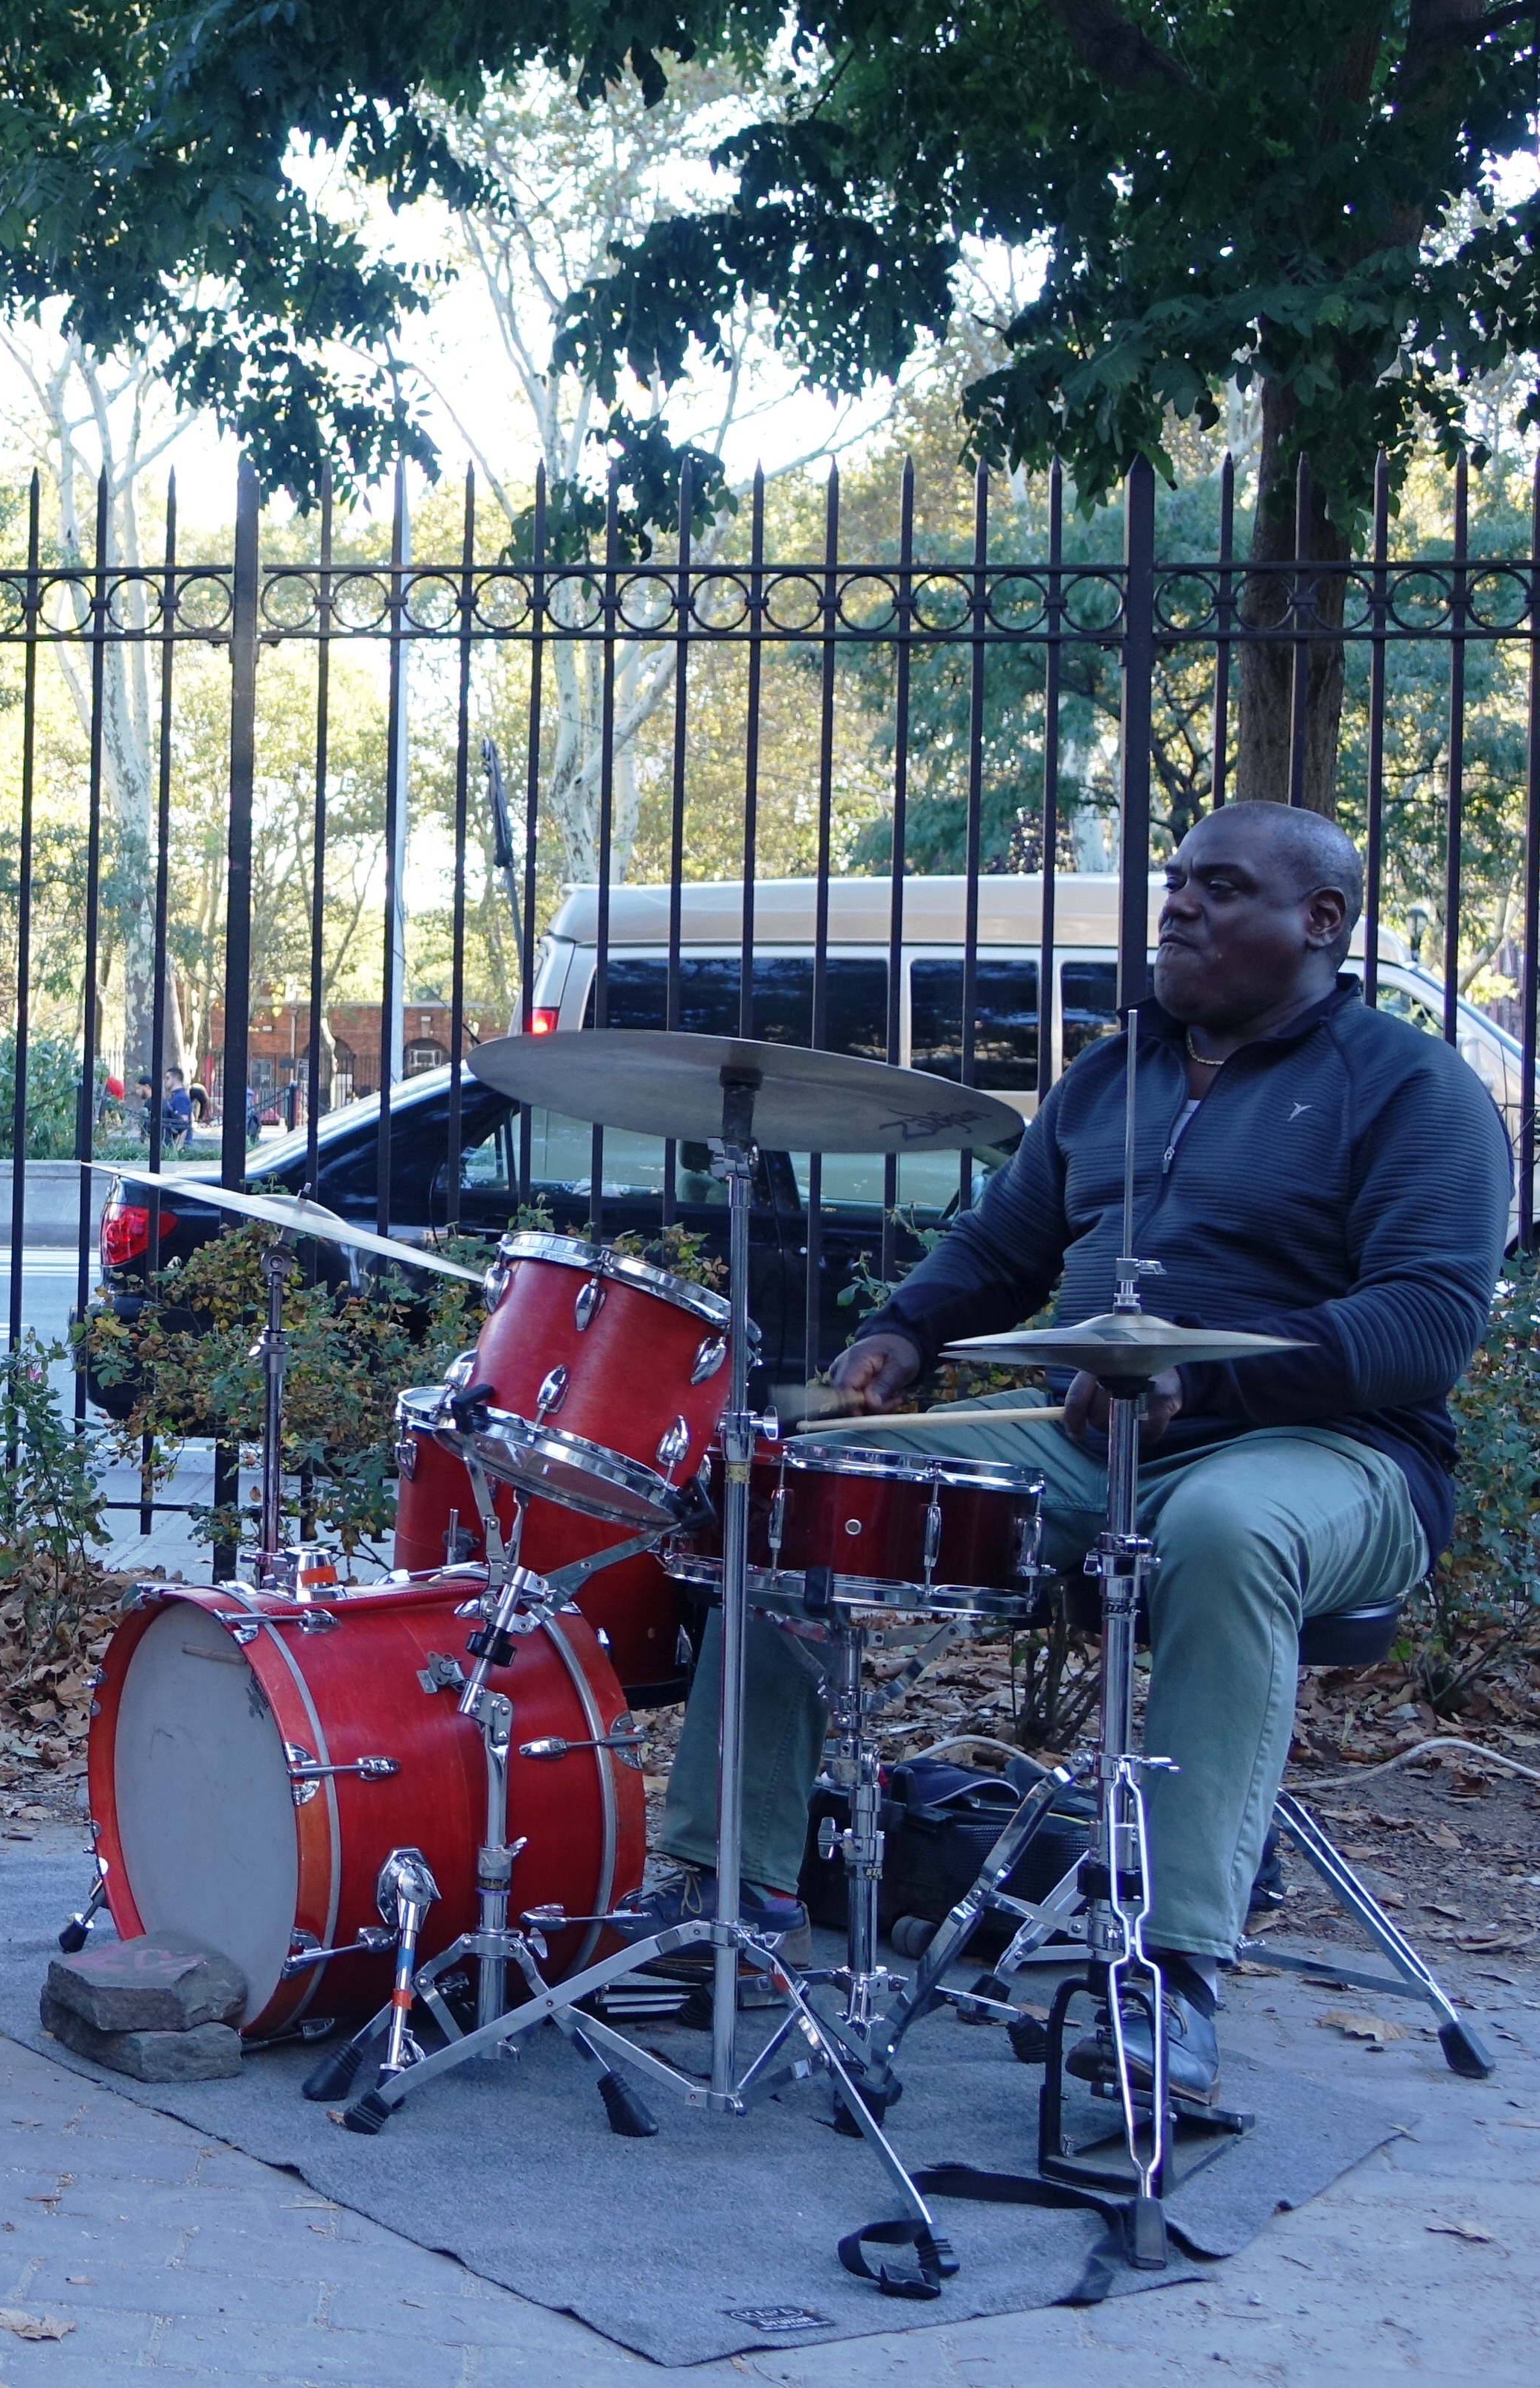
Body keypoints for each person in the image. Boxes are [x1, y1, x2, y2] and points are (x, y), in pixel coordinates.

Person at [620, 802, 1505, 2111]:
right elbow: (1000, 1248)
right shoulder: (1111, 1078)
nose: (1181, 907)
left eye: (1220, 887)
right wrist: (901, 1333)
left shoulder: (1413, 1087)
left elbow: (1425, 1323)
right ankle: (731, 1892)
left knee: (1225, 1532)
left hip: (1332, 1451)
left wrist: (1202, 1375)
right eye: (1175, 885)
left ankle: (1175, 1973)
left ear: (1322, 922)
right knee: (807, 1495)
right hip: (1084, 1440)